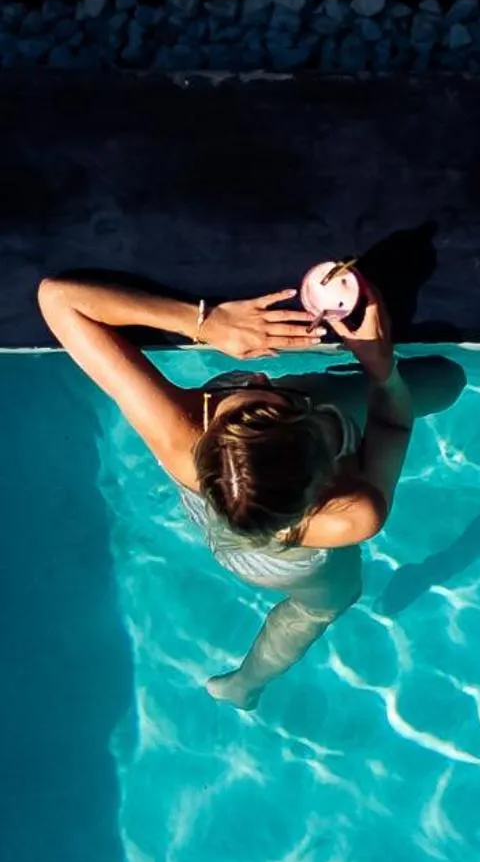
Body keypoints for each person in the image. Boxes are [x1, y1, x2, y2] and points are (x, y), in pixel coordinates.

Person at [38, 271, 417, 707]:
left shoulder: (180, 433)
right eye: (266, 398)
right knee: (323, 604)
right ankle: (245, 685)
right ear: (325, 464)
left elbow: (59, 299)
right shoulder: (350, 514)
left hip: (232, 520)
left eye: (238, 395)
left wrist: (205, 322)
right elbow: (392, 422)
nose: (255, 379)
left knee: (439, 381)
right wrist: (381, 368)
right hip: (288, 563)